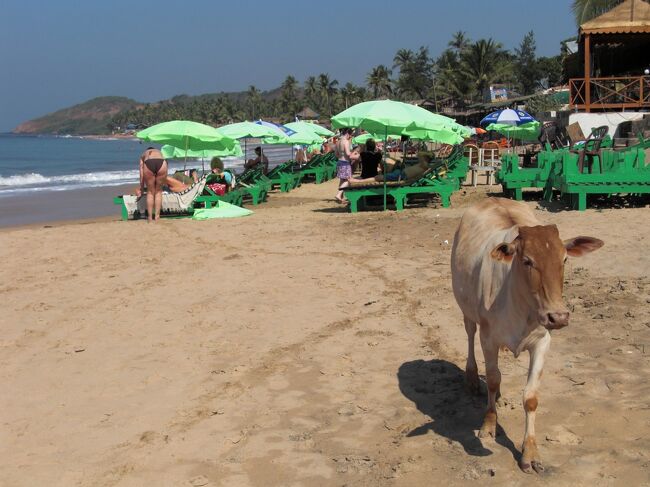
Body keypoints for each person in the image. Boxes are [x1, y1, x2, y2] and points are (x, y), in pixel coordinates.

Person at [353, 153, 431, 184]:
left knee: (378, 177)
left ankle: (358, 181)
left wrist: (425, 156)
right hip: (401, 173)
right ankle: (359, 180)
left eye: (422, 157)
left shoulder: (425, 165)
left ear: (425, 158)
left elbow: (420, 154)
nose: (419, 157)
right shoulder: (423, 165)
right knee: (380, 175)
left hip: (402, 175)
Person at [139, 147, 168, 222]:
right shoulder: (160, 153)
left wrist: (142, 189)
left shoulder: (144, 154)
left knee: (150, 192)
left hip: (149, 162)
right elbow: (166, 165)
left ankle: (150, 217)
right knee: (158, 191)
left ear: (147, 150)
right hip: (162, 162)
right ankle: (157, 217)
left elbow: (141, 174)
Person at [334, 128, 359, 204]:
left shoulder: (338, 142)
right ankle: (338, 195)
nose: (351, 137)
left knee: (342, 180)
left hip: (339, 162)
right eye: (351, 135)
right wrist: (356, 155)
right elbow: (348, 154)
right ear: (348, 133)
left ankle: (341, 197)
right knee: (348, 180)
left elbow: (336, 154)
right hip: (345, 163)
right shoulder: (346, 142)